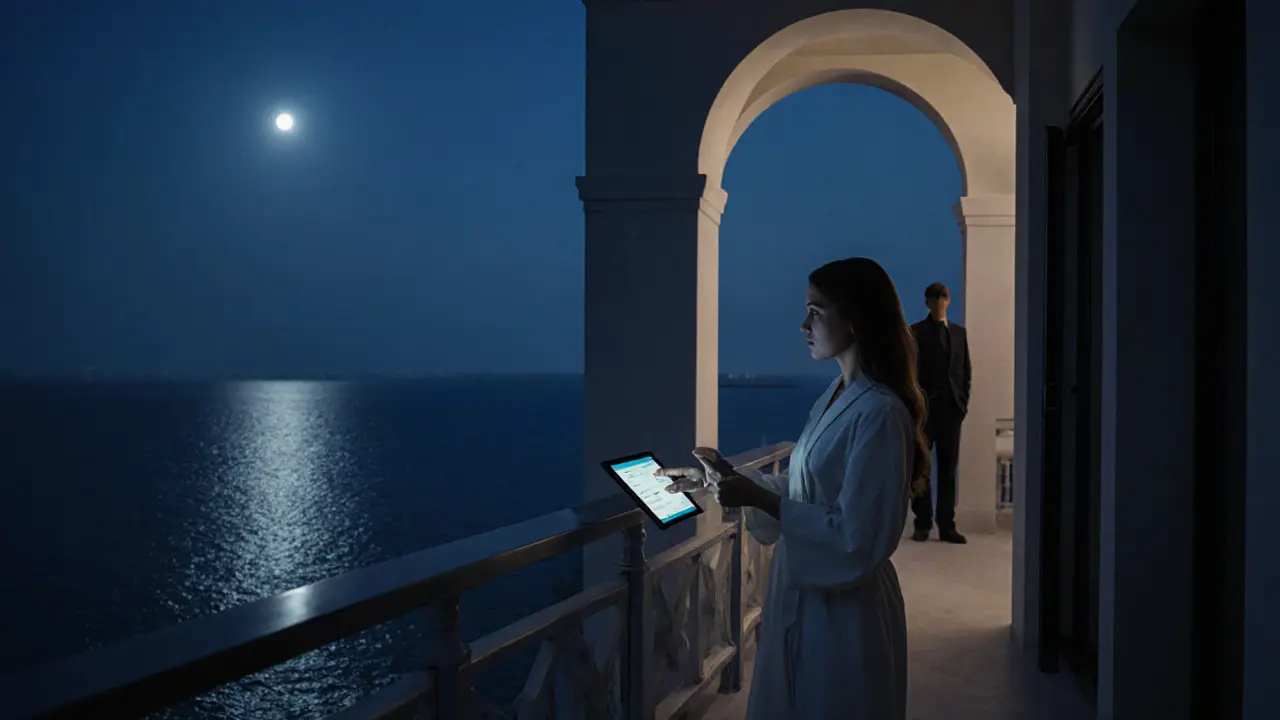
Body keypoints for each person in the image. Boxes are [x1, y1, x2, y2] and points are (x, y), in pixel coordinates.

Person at [656, 257, 929, 720]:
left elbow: (858, 536)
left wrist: (759, 497)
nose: (804, 325)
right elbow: (806, 488)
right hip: (805, 596)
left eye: (817, 311)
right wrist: (716, 477)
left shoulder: (880, 413)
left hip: (846, 611)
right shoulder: (836, 396)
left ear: (855, 318)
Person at [908, 282, 971, 544]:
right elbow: (910, 372)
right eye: (935, 297)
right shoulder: (915, 332)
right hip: (925, 412)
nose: (939, 301)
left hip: (951, 411)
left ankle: (947, 525)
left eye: (943, 296)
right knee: (921, 468)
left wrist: (962, 402)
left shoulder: (959, 333)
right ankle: (922, 523)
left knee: (948, 470)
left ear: (949, 300)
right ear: (927, 302)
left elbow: (965, 371)